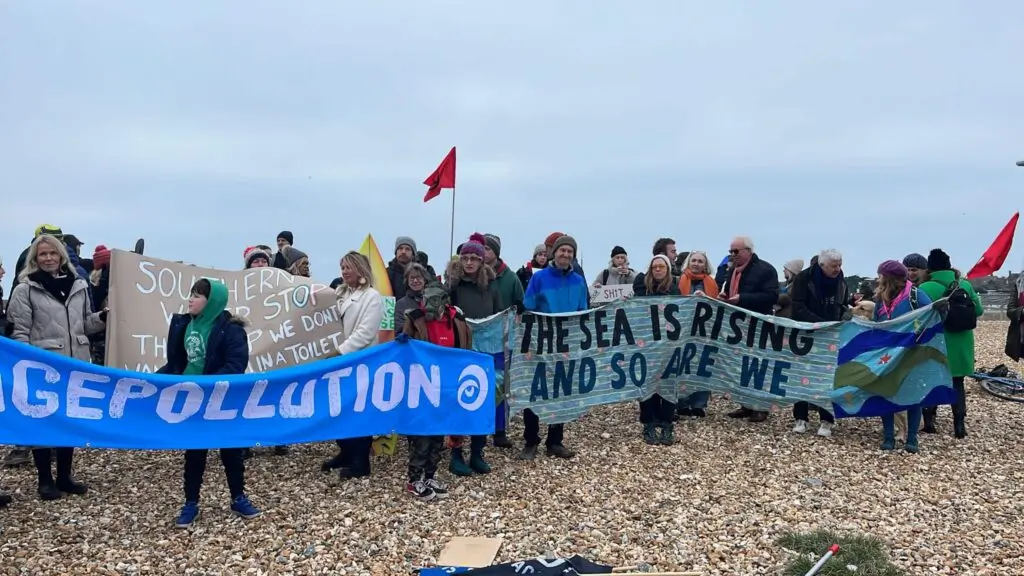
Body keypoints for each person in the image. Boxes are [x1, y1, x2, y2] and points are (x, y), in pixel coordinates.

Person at [6, 234, 105, 500]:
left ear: (61, 255)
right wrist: (24, 365)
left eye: (52, 253)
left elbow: (85, 324)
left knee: (69, 419)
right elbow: (20, 333)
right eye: (42, 254)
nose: (48, 258)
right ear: (34, 259)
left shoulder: (79, 284)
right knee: (43, 420)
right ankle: (45, 480)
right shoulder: (25, 289)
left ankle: (64, 476)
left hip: (76, 365)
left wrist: (104, 317)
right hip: (43, 366)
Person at [157, 279, 260, 527]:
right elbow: (177, 364)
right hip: (192, 400)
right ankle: (191, 502)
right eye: (191, 294)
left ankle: (238, 496)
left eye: (197, 296)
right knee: (194, 453)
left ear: (212, 301)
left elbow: (235, 366)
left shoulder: (232, 330)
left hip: (222, 400)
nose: (190, 299)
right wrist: (152, 379)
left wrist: (206, 385)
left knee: (231, 451)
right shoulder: (183, 325)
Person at [400, 282, 471, 500]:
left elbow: (465, 348)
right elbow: (405, 349)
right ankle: (414, 480)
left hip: (446, 384)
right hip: (422, 385)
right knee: (422, 434)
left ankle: (430, 475)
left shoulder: (457, 321)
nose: (428, 303)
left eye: (434, 299)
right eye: (425, 298)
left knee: (438, 433)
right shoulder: (415, 318)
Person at [520, 235, 588, 460]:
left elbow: (583, 310)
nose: (566, 255)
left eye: (570, 252)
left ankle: (555, 440)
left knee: (561, 390)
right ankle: (530, 440)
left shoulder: (578, 280)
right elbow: (528, 306)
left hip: (566, 342)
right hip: (541, 342)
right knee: (535, 389)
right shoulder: (539, 279)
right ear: (554, 253)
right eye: (562, 251)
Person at [445, 233, 503, 474]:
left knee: (484, 399)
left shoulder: (491, 286)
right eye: (465, 258)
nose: (469, 263)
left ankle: (478, 452)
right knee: (459, 400)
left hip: (486, 352)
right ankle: (456, 454)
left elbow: (499, 315)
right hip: (461, 348)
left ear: (482, 261)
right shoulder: (453, 286)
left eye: (474, 259)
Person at [787, 249, 856, 437]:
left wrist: (845, 313)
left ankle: (827, 420)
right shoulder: (803, 278)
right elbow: (798, 306)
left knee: (828, 377)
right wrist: (818, 323)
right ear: (822, 265)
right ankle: (800, 418)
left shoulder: (841, 281)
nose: (838, 269)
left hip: (831, 334)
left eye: (840, 265)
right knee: (802, 373)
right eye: (834, 266)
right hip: (805, 332)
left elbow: (841, 304)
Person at [329, 251, 385, 479]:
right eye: (342, 267)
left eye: (348, 267)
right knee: (337, 409)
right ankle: (346, 451)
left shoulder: (372, 297)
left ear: (360, 269)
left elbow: (365, 333)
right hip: (338, 362)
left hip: (357, 362)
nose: (344, 272)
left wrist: (339, 351)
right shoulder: (338, 294)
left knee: (357, 412)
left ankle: (360, 461)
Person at [918, 249, 983, 439]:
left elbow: (918, 318)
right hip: (961, 342)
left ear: (929, 267)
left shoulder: (925, 288)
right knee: (957, 383)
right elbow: (978, 311)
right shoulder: (964, 284)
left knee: (931, 381)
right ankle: (959, 425)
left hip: (935, 343)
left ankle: (929, 422)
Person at [873, 260, 931, 453]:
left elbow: (932, 317)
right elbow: (876, 323)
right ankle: (889, 436)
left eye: (880, 275)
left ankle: (912, 437)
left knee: (913, 395)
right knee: (886, 393)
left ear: (888, 277)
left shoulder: (915, 295)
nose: (878, 278)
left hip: (911, 352)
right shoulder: (881, 298)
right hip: (887, 354)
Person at [721, 236, 779, 423]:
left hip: (759, 325)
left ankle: (761, 407)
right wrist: (725, 295)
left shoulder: (766, 270)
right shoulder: (733, 271)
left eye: (735, 251)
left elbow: (771, 296)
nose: (732, 255)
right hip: (739, 325)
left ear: (748, 251)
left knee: (759, 366)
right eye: (731, 251)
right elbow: (731, 293)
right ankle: (746, 404)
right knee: (742, 365)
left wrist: (742, 298)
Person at [633, 254, 680, 445]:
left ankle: (667, 422)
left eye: (662, 266)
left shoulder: (676, 291)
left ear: (668, 269)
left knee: (668, 383)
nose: (658, 270)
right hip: (647, 345)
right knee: (647, 383)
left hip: (668, 346)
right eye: (655, 267)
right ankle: (649, 422)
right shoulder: (642, 291)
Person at [676, 250, 718, 417]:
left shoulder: (712, 284)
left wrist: (707, 298)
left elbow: (717, 306)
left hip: (705, 331)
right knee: (683, 365)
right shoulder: (679, 281)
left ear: (705, 265)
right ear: (688, 262)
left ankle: (699, 403)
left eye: (700, 261)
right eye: (693, 260)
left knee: (702, 365)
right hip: (684, 330)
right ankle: (682, 402)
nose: (696, 264)